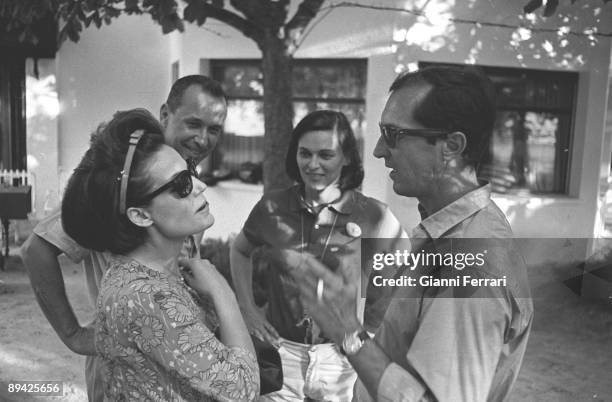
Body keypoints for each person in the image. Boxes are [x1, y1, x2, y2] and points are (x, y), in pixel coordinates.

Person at [289, 66, 534, 401]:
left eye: (393, 134)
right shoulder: (448, 231)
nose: (378, 150)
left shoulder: (470, 265)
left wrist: (348, 332)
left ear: (451, 145)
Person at [20, 75, 227, 401]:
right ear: (164, 116)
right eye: (193, 124)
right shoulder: (124, 182)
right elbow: (36, 249)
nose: (203, 139)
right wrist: (73, 335)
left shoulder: (188, 187)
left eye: (214, 129)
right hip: (124, 376)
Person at [59, 108, 258, 400]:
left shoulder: (146, 273)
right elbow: (244, 388)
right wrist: (222, 291)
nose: (200, 186)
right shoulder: (149, 298)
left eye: (189, 172)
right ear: (140, 216)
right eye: (181, 185)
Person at [230, 110, 406, 401]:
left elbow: (402, 275)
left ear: (347, 157)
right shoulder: (272, 206)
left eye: (325, 155)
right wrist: (247, 308)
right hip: (281, 353)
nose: (313, 164)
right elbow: (240, 250)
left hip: (341, 361)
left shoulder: (375, 216)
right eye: (305, 154)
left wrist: (368, 334)